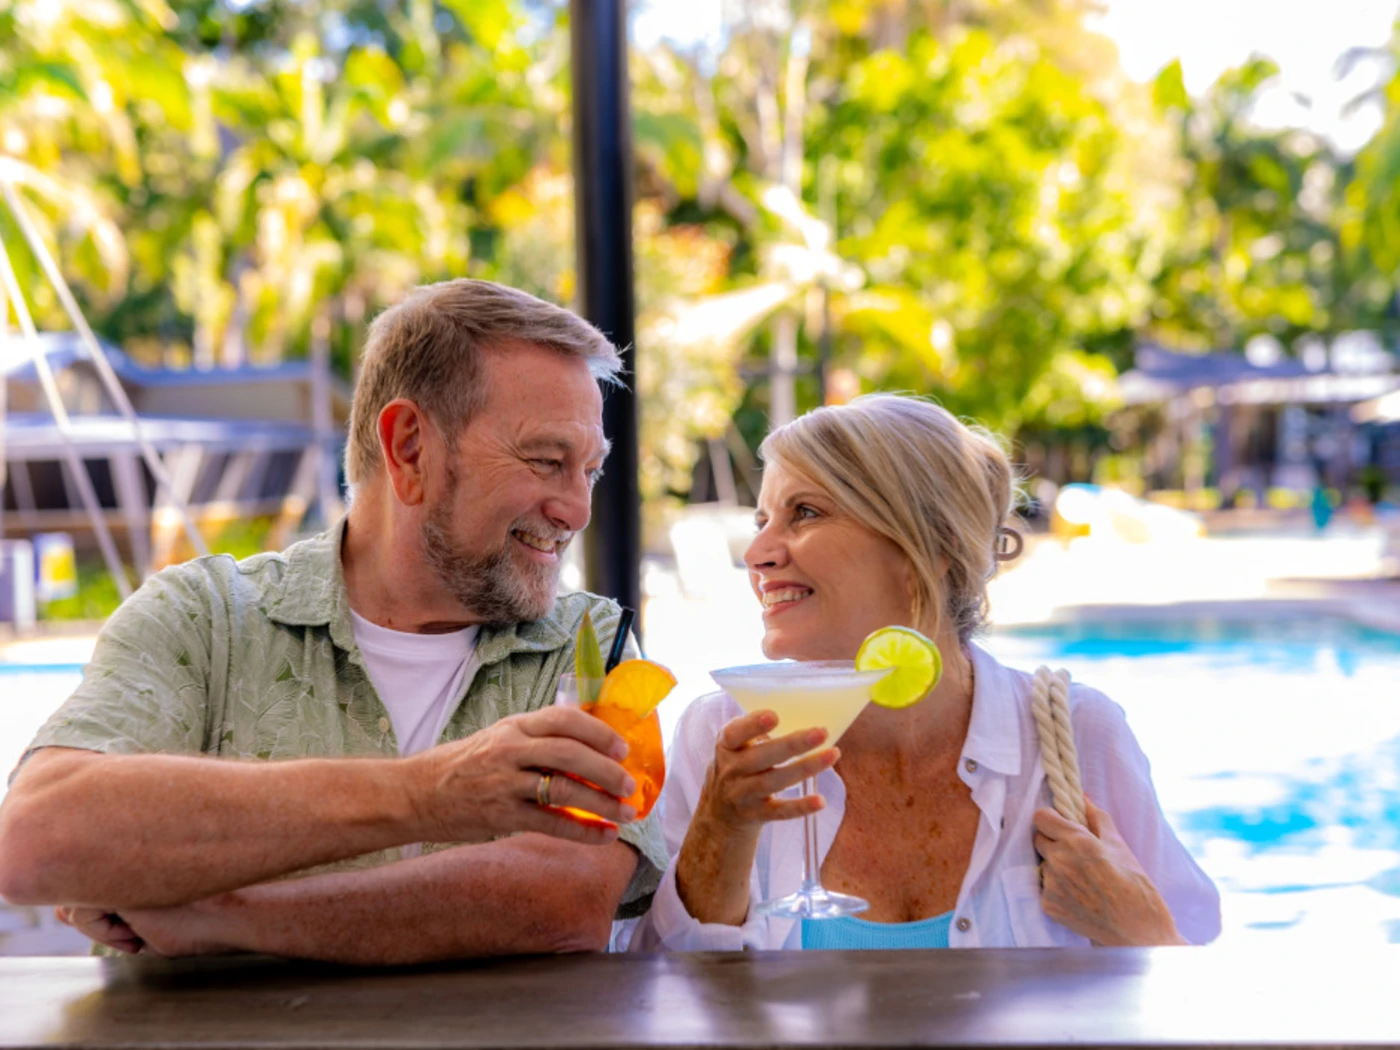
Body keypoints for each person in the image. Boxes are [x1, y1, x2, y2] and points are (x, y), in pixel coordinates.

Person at [0, 279, 666, 963]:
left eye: (590, 470)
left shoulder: (589, 645)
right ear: (410, 448)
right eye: (547, 461)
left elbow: (566, 902)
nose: (577, 510)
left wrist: (218, 917)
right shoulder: (204, 616)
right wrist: (434, 793)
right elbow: (37, 841)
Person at [630, 394, 1219, 951]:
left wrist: (1140, 928)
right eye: (762, 519)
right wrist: (720, 832)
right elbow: (657, 999)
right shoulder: (722, 736)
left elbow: (1200, 1004)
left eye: (804, 512)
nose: (757, 552)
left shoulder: (1075, 733)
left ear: (927, 548)